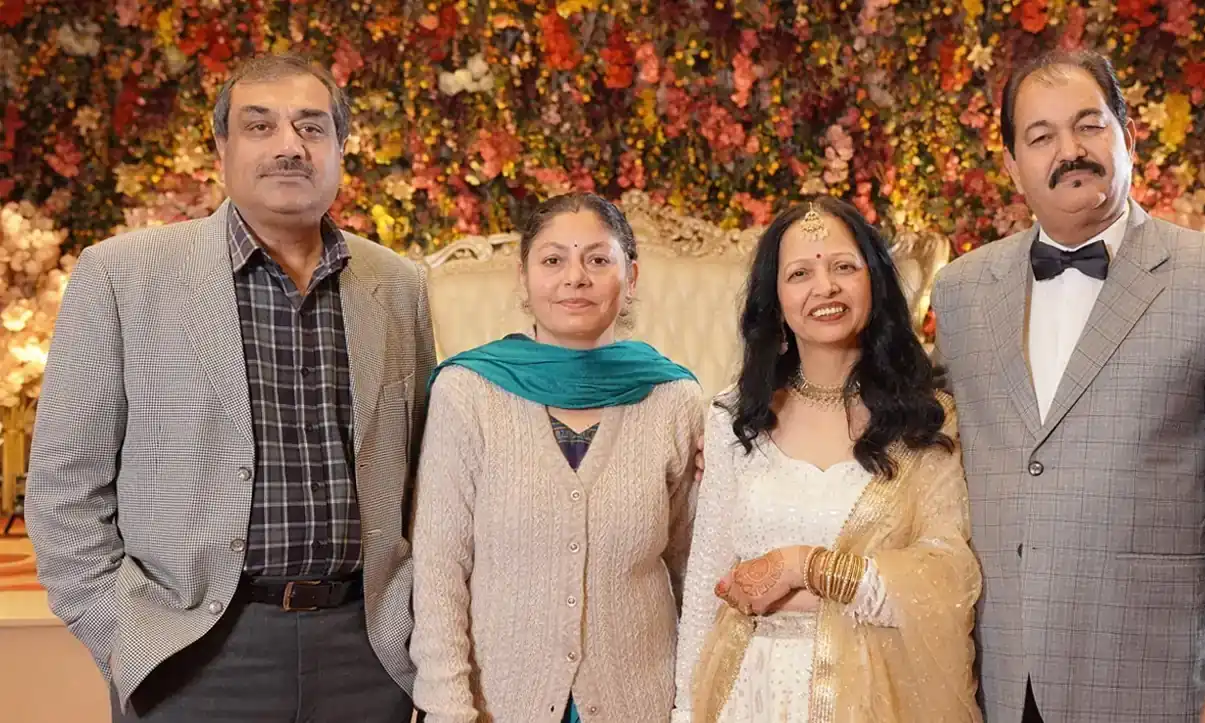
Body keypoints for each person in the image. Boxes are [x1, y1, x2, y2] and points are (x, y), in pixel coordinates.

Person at [25, 54, 436, 722]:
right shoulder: (123, 276)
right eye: (259, 126)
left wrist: (413, 619)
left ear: (338, 148)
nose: (288, 146)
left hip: (366, 652)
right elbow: (64, 485)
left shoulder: (397, 285)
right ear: (220, 146)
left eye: (311, 127)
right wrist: (123, 630)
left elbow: (423, 476)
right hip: (192, 652)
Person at [930, 49, 1205, 723]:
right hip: (994, 686)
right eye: (1040, 136)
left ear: (1127, 135)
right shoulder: (960, 292)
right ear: (1012, 165)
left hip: (1156, 692)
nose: (1068, 150)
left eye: (1088, 125)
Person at [673, 197, 982, 723]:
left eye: (843, 267)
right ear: (775, 298)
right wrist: (684, 711)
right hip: (748, 693)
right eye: (800, 273)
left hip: (876, 698)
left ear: (874, 282)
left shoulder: (926, 419)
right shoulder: (733, 417)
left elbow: (947, 578)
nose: (825, 288)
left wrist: (803, 567)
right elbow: (708, 587)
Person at [410, 192, 704, 723]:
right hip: (498, 704)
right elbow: (439, 565)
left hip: (644, 703)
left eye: (597, 259)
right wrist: (447, 705)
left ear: (630, 276)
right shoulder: (468, 393)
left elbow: (695, 568)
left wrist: (693, 702)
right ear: (523, 279)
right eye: (553, 260)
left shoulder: (674, 400)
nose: (576, 277)